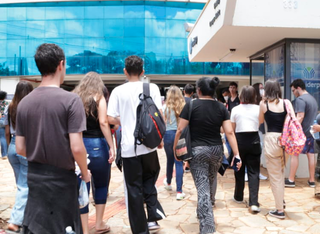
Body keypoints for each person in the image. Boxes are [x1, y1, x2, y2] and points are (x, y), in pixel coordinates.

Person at [15, 43, 91, 234]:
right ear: (61, 64)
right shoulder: (71, 101)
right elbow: (77, 147)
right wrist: (85, 171)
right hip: (62, 181)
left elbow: (20, 148)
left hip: (35, 179)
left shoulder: (24, 103)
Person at [174, 77, 241, 234]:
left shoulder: (190, 106)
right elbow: (229, 131)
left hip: (198, 152)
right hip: (217, 151)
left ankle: (208, 228)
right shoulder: (221, 107)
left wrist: (175, 150)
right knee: (209, 183)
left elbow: (179, 130)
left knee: (202, 188)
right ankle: (202, 210)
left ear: (198, 90)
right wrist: (236, 154)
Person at [107, 55, 165, 234]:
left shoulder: (118, 91)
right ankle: (153, 213)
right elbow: (159, 116)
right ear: (142, 72)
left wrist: (124, 120)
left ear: (125, 71)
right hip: (149, 145)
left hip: (128, 149)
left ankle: (141, 230)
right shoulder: (151, 87)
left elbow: (110, 118)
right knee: (151, 177)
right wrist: (160, 139)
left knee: (133, 190)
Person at [73, 72, 115, 234]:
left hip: (80, 143)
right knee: (102, 184)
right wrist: (111, 145)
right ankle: (98, 223)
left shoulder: (75, 97)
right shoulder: (99, 97)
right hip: (98, 145)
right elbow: (104, 122)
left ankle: (84, 229)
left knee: (83, 184)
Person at [259, 79, 293, 219]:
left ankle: (279, 210)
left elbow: (260, 121)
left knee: (275, 177)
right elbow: (291, 119)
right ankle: (281, 200)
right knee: (281, 171)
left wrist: (263, 100)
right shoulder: (286, 102)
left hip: (272, 140)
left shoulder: (264, 104)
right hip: (286, 140)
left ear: (266, 90)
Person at [5, 81, 33, 233]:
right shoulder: (29, 107)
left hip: (12, 147)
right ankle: (15, 221)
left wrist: (10, 146)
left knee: (22, 184)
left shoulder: (11, 107)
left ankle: (24, 217)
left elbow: (7, 131)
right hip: (25, 146)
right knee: (24, 186)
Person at [230, 85, 261, 213]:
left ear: (241, 95)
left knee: (239, 169)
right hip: (254, 139)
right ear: (254, 96)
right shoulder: (259, 109)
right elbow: (259, 123)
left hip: (239, 141)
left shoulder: (236, 109)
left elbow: (232, 128)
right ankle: (253, 202)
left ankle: (238, 196)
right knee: (254, 172)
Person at [286, 79, 318, 188]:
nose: (293, 93)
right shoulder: (313, 99)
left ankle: (291, 179)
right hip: (311, 133)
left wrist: (292, 130)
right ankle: (312, 180)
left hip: (301, 134)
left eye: (293, 90)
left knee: (294, 156)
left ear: (298, 88)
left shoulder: (300, 100)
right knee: (311, 156)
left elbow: (300, 116)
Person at [162, 85, 186, 200]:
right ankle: (179, 191)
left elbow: (163, 124)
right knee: (179, 162)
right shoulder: (183, 107)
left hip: (167, 135)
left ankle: (168, 183)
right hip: (180, 135)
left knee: (169, 160)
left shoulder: (164, 108)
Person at [251, 83, 268, 181]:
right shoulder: (254, 103)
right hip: (254, 128)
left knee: (259, 150)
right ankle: (250, 172)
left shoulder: (263, 101)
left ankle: (257, 172)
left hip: (261, 129)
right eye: (261, 88)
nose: (263, 90)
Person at [225, 82, 240, 158]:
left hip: (238, 122)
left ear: (236, 89)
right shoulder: (229, 99)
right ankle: (231, 157)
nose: (232, 89)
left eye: (233, 87)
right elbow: (228, 110)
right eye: (230, 87)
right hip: (231, 121)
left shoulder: (239, 98)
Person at [0, 91, 8, 159]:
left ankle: (4, 154)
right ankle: (6, 153)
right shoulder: (6, 103)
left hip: (0, 120)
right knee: (5, 137)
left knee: (2, 137)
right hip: (5, 120)